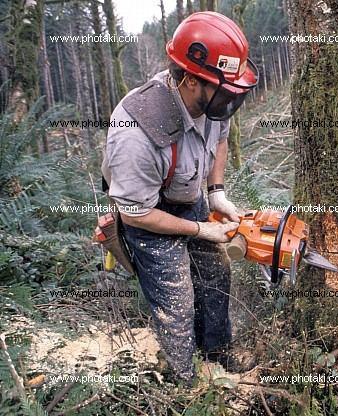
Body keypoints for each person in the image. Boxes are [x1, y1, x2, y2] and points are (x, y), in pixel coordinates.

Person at [100, 11, 259, 384]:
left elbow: (220, 136)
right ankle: (184, 378)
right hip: (148, 212)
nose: (229, 99)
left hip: (189, 196)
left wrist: (216, 192)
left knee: (216, 272)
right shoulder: (135, 133)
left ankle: (217, 351)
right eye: (223, 91)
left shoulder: (214, 99)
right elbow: (137, 213)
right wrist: (199, 230)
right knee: (177, 296)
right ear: (190, 79)